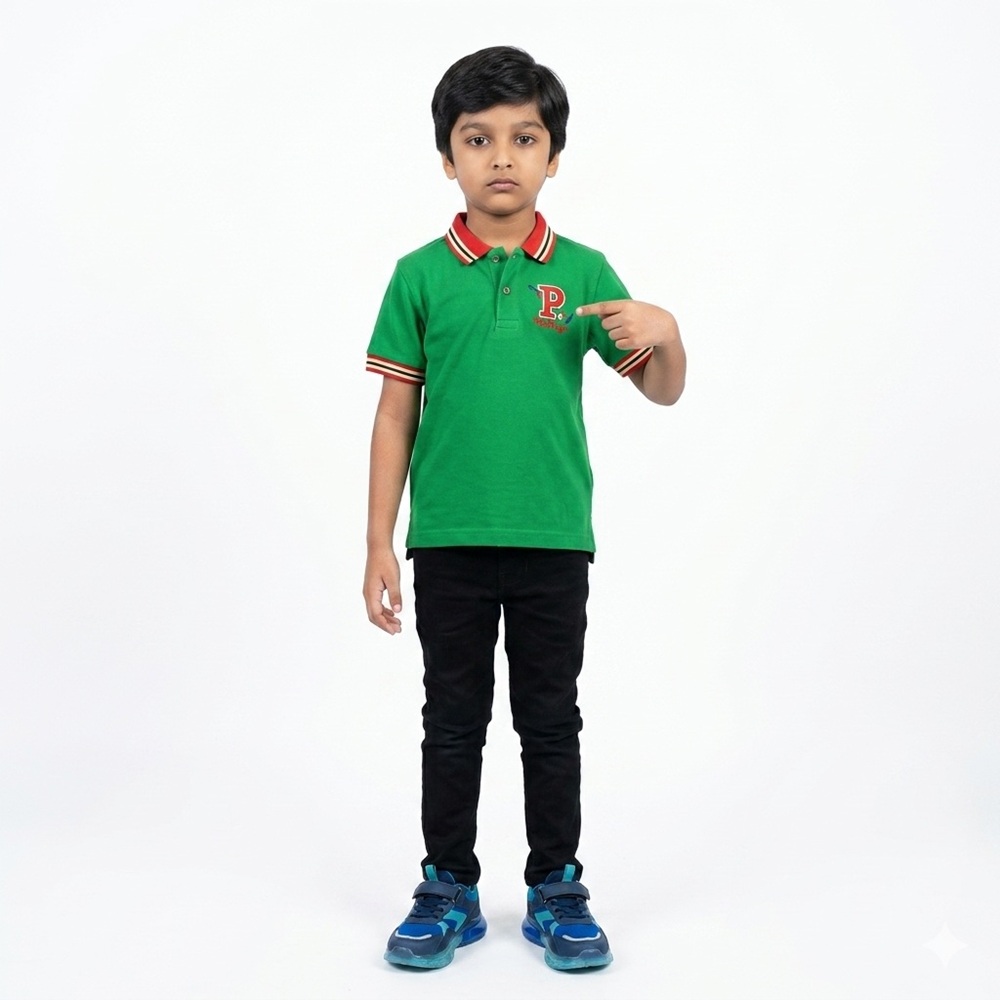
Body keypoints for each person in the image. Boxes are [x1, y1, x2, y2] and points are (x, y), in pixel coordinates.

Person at [362, 45, 686, 972]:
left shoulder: (582, 272)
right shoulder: (419, 276)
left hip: (552, 537)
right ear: (447, 157)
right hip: (447, 540)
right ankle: (447, 887)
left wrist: (669, 334)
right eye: (478, 139)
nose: (501, 156)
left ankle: (557, 887)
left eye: (524, 137)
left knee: (549, 719)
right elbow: (394, 414)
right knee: (451, 719)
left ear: (553, 156)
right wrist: (379, 542)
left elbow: (660, 388)